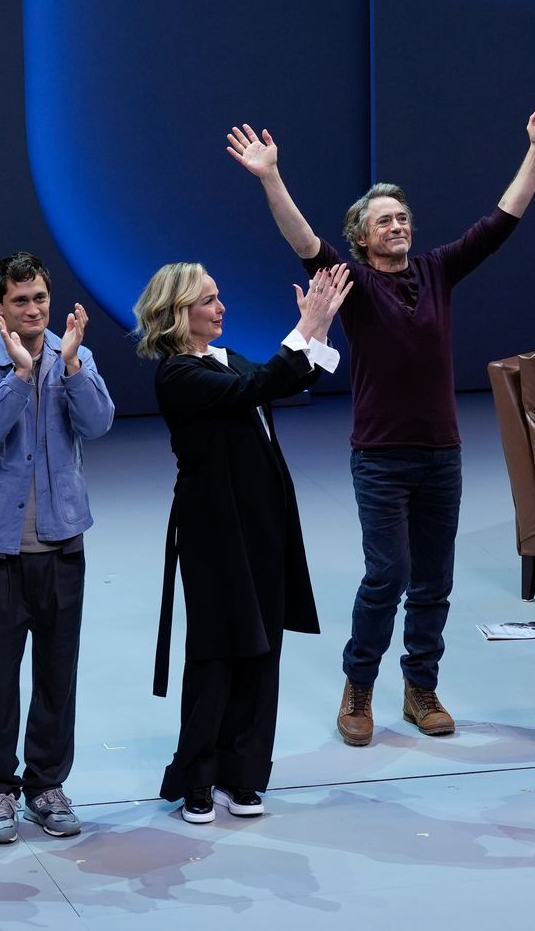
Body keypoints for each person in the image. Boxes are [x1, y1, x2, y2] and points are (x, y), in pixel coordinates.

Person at [226, 99, 535, 745]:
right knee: (388, 573)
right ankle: (358, 688)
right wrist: (270, 176)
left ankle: (421, 688)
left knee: (435, 579)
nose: (398, 226)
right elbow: (301, 238)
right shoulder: (351, 282)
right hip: (381, 457)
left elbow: (503, 221)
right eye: (385, 220)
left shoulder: (438, 271)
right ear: (361, 237)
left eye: (403, 218)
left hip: (442, 454)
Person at [136, 262, 352, 822]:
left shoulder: (226, 359)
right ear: (178, 312)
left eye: (218, 295)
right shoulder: (177, 375)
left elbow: (285, 378)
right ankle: (198, 779)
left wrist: (319, 327)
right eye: (209, 299)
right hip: (213, 527)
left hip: (263, 521)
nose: (220, 307)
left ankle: (244, 774)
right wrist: (302, 328)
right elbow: (257, 386)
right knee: (216, 650)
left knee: (262, 648)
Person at [0, 252, 114, 841]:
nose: (33, 309)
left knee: (56, 673)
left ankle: (47, 784)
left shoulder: (76, 356)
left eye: (40, 298)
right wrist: (20, 377)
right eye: (20, 300)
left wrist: (70, 367)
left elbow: (98, 425)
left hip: (61, 546)